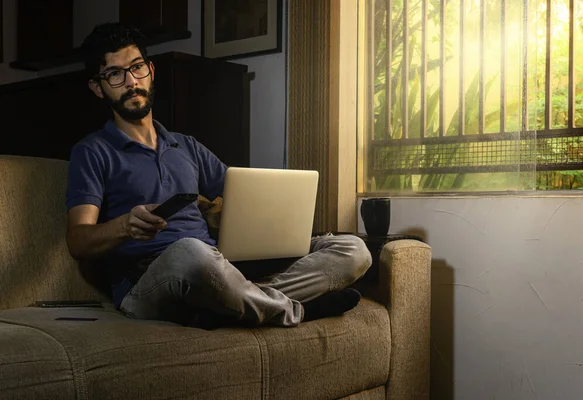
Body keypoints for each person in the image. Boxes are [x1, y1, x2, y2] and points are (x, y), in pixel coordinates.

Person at [66, 23, 372, 329]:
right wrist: (124, 226)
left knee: (352, 250)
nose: (131, 81)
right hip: (148, 282)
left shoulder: (186, 146)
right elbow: (78, 241)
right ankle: (294, 310)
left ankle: (233, 303)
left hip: (217, 268)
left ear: (151, 70)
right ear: (98, 87)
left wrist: (275, 231)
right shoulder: (92, 151)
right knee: (191, 251)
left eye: (136, 68)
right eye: (115, 74)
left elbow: (246, 197)